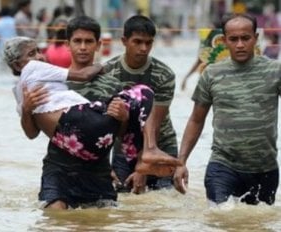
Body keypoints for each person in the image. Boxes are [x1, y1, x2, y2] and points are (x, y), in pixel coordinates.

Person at [17, 16, 181, 210]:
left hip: (99, 171)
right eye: (77, 41)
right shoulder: (53, 84)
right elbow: (31, 134)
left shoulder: (113, 84)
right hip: (60, 168)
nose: (83, 47)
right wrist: (26, 110)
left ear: (98, 45)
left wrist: (124, 118)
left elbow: (119, 134)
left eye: (89, 41)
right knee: (55, 221)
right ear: (67, 45)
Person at [173, 13, 280, 206]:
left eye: (245, 38)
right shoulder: (211, 74)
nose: (240, 44)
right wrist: (181, 162)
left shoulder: (275, 71)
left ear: (255, 38)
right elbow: (196, 120)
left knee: (258, 223)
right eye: (234, 39)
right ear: (224, 41)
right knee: (219, 218)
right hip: (223, 166)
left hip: (265, 169)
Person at [103, 15, 178, 193]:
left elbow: (154, 123)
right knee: (120, 203)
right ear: (124, 41)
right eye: (137, 42)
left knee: (163, 203)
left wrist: (143, 165)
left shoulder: (164, 75)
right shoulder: (107, 73)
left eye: (148, 43)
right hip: (124, 147)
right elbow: (103, 123)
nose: (143, 48)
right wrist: (102, 165)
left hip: (160, 145)